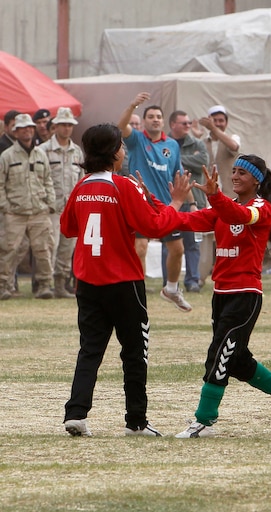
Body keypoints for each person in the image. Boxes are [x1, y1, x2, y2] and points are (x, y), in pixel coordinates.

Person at [60, 123, 188, 437]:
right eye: (122, 145)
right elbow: (155, 227)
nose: (125, 150)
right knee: (134, 352)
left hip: (88, 281)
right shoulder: (123, 186)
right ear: (114, 152)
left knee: (90, 349)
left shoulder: (82, 185)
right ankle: (136, 422)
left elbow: (68, 228)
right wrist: (175, 204)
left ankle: (76, 414)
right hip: (124, 282)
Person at [174, 157, 271, 438]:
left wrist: (214, 195)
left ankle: (204, 421)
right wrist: (155, 205)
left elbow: (240, 216)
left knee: (218, 355)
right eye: (233, 171)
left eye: (241, 172)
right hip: (220, 294)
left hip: (245, 295)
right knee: (236, 359)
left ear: (256, 180)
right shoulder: (223, 207)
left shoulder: (261, 208)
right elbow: (185, 220)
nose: (234, 176)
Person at [118, 92, 191, 312]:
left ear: (163, 120)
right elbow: (121, 128)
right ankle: (138, 294)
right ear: (145, 120)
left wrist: (192, 202)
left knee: (177, 249)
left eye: (158, 116)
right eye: (151, 116)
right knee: (140, 248)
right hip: (141, 202)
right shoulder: (137, 140)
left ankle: (171, 289)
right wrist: (132, 104)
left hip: (166, 205)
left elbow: (178, 174)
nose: (155, 119)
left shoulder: (172, 145)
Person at [0, 113, 55, 300]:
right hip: (14, 212)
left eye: (30, 127)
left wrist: (50, 202)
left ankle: (44, 285)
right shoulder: (7, 156)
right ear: (15, 131)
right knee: (9, 250)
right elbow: (0, 183)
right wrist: (5, 206)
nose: (28, 131)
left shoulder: (41, 154)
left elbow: (48, 179)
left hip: (39, 210)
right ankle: (3, 286)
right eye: (23, 128)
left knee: (43, 249)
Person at [38, 107, 84, 299]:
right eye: (63, 125)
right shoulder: (42, 151)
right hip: (51, 208)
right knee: (49, 246)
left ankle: (60, 284)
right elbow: (37, 179)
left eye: (70, 125)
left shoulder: (77, 152)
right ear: (55, 126)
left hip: (71, 209)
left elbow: (81, 178)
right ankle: (44, 285)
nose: (67, 129)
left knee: (67, 248)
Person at [198, 104, 241, 286]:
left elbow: (234, 146)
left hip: (229, 196)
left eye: (221, 121)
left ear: (226, 122)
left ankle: (232, 276)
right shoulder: (201, 141)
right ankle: (199, 278)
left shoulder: (232, 138)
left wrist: (213, 129)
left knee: (231, 237)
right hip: (208, 196)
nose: (218, 124)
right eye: (214, 120)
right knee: (206, 239)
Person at [168, 109, 209, 293]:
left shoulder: (197, 144)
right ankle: (170, 282)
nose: (187, 126)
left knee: (192, 244)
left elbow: (202, 162)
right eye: (183, 123)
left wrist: (174, 159)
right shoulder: (164, 143)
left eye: (188, 123)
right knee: (169, 243)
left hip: (195, 201)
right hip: (170, 201)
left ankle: (192, 280)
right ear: (172, 125)